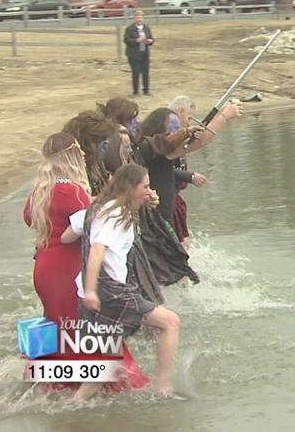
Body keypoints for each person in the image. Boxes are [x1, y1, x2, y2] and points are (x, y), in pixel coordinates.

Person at [23, 132, 148, 393]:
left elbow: (29, 218)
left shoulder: (41, 188)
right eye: (78, 149)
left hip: (43, 266)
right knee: (87, 329)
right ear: (70, 155)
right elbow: (90, 218)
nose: (82, 154)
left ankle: (43, 380)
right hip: (66, 269)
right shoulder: (71, 188)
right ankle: (115, 384)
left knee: (54, 323)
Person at [73, 163, 183, 400]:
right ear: (130, 188)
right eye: (145, 186)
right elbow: (96, 251)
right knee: (170, 323)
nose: (149, 190)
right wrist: (92, 291)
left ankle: (70, 408)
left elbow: (70, 235)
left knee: (103, 367)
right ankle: (162, 387)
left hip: (96, 290)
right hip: (108, 292)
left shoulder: (104, 207)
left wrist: (148, 199)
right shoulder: (114, 214)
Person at [167, 96, 208, 250]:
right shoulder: (168, 134)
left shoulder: (179, 134)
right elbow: (163, 167)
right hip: (168, 196)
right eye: (189, 118)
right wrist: (189, 177)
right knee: (182, 244)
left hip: (175, 196)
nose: (189, 122)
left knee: (185, 243)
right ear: (181, 111)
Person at [123, 10, 154, 97]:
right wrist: (136, 40)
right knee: (136, 72)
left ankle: (146, 91)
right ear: (134, 18)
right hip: (134, 54)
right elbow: (126, 40)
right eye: (137, 17)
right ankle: (135, 91)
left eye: (140, 17)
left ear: (143, 18)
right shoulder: (129, 29)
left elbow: (151, 38)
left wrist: (150, 41)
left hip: (145, 54)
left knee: (145, 72)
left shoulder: (146, 28)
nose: (139, 19)